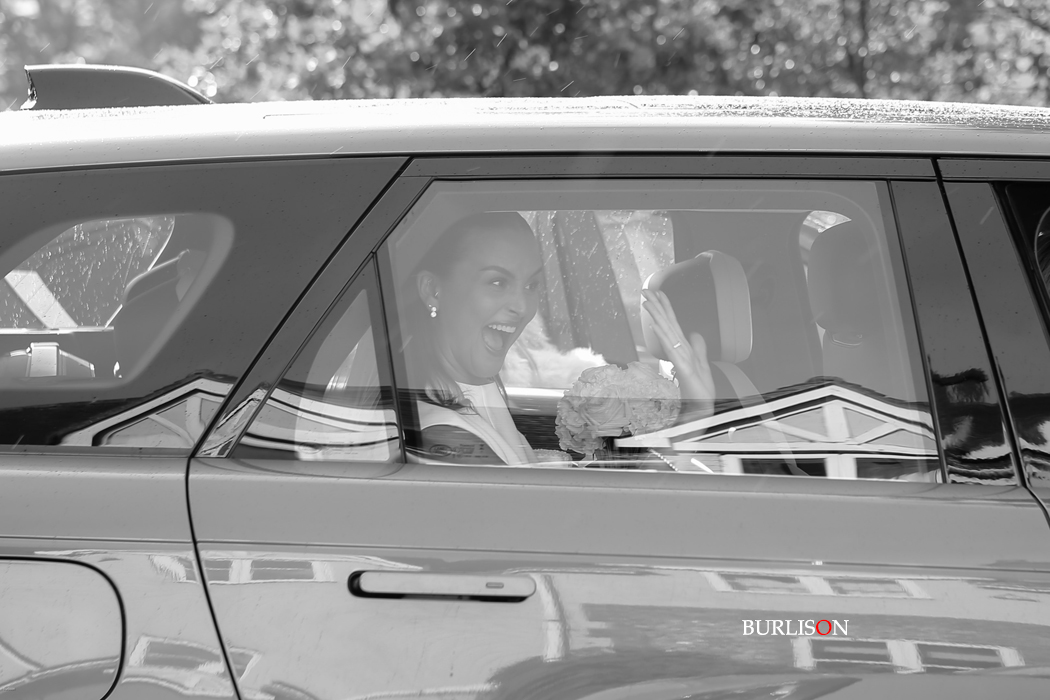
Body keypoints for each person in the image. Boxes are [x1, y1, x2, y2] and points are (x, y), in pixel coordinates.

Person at [402, 211, 714, 465]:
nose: (522, 307)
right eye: (497, 282)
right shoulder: (445, 443)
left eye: (531, 285)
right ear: (433, 290)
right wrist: (694, 417)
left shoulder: (476, 397)